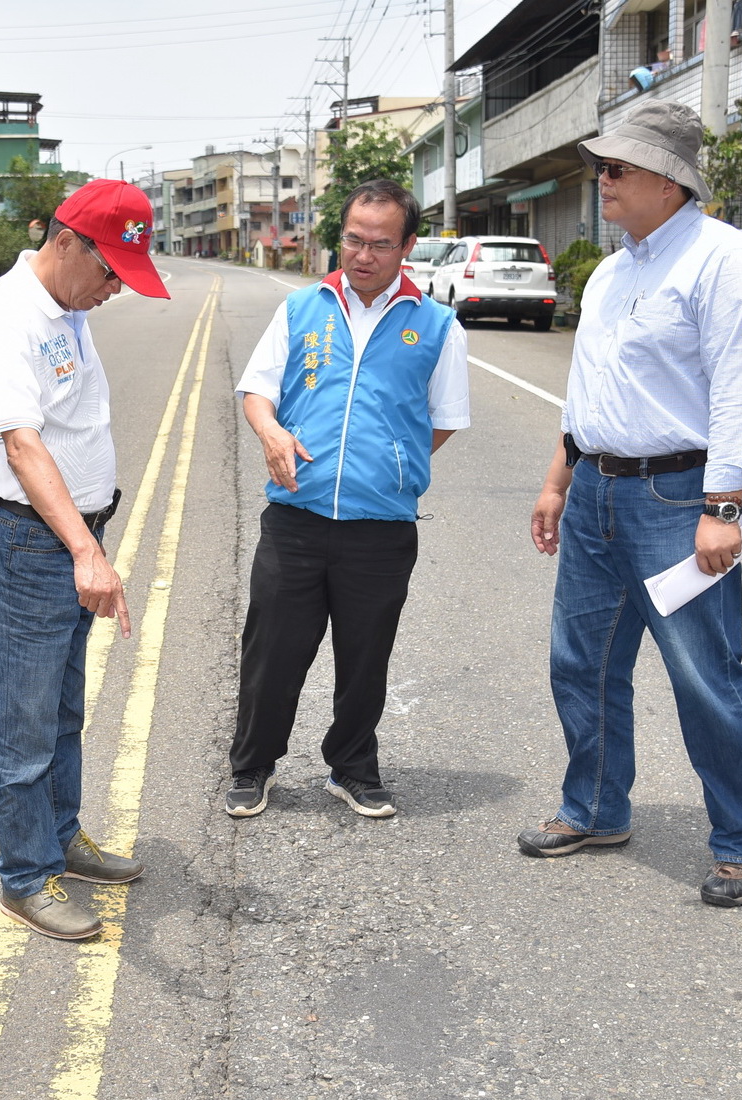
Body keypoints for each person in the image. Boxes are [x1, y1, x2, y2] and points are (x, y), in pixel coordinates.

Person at [516, 101, 742, 908]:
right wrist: (557, 481)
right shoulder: (611, 273)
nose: (601, 180)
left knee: (704, 674)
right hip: (596, 489)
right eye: (601, 167)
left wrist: (723, 510)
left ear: (669, 182)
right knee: (582, 663)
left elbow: (740, 393)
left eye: (616, 168)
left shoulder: (723, 262)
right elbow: (587, 394)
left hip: (677, 497)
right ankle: (594, 809)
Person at [0, 179, 171, 940]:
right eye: (110, 272)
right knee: (22, 726)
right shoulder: (4, 319)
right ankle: (25, 877)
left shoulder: (67, 308)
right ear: (66, 242)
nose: (116, 290)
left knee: (63, 713)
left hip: (69, 536)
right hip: (27, 544)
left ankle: (60, 837)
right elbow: (21, 445)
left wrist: (89, 537)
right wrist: (85, 549)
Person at [224, 179, 470, 820]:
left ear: (407, 247)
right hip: (296, 516)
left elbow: (442, 420)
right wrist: (272, 432)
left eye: (380, 244)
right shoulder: (301, 308)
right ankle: (252, 765)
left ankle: (353, 767)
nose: (363, 255)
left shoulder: (437, 325)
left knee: (365, 657)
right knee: (272, 652)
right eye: (353, 240)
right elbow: (258, 390)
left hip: (380, 526)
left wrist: (389, 463)